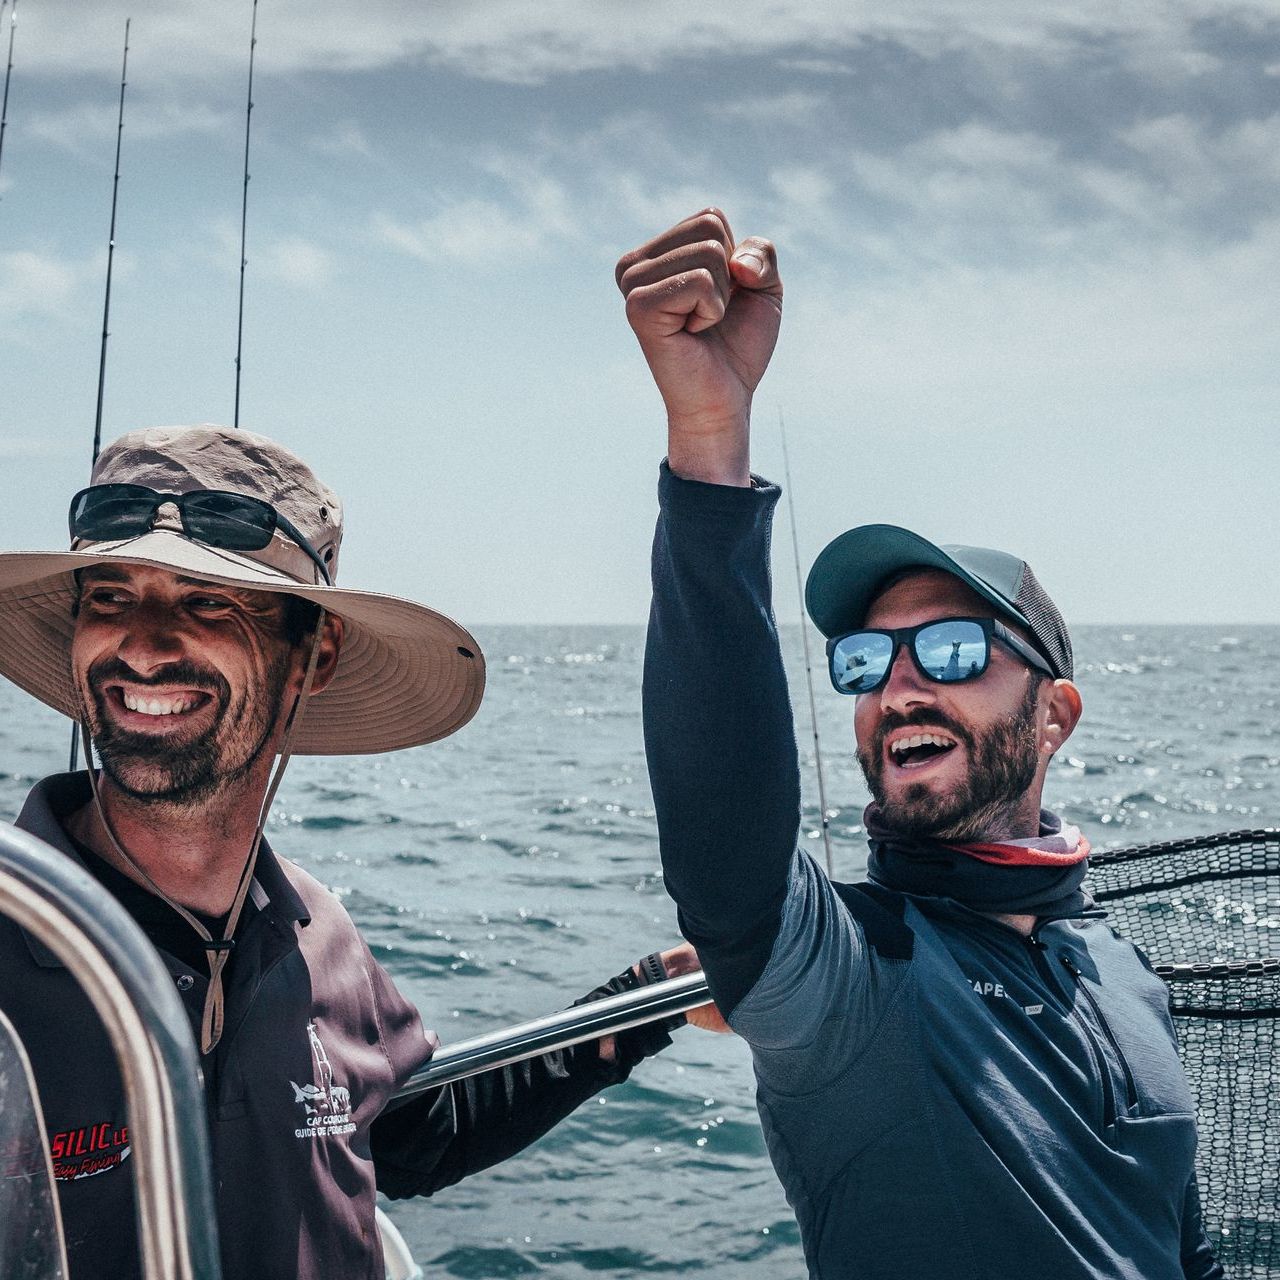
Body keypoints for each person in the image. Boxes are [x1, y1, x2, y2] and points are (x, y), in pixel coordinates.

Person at [617, 208, 1222, 1280]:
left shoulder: (1124, 971)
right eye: (863, 661)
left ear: (1054, 714)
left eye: (948, 649)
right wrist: (709, 443)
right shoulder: (845, 969)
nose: (894, 686)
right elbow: (726, 846)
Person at [0, 424, 720, 1280]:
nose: (145, 648)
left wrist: (651, 998)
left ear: (315, 656)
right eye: (110, 598)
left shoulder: (316, 931)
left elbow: (417, 1132)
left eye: (207, 603)